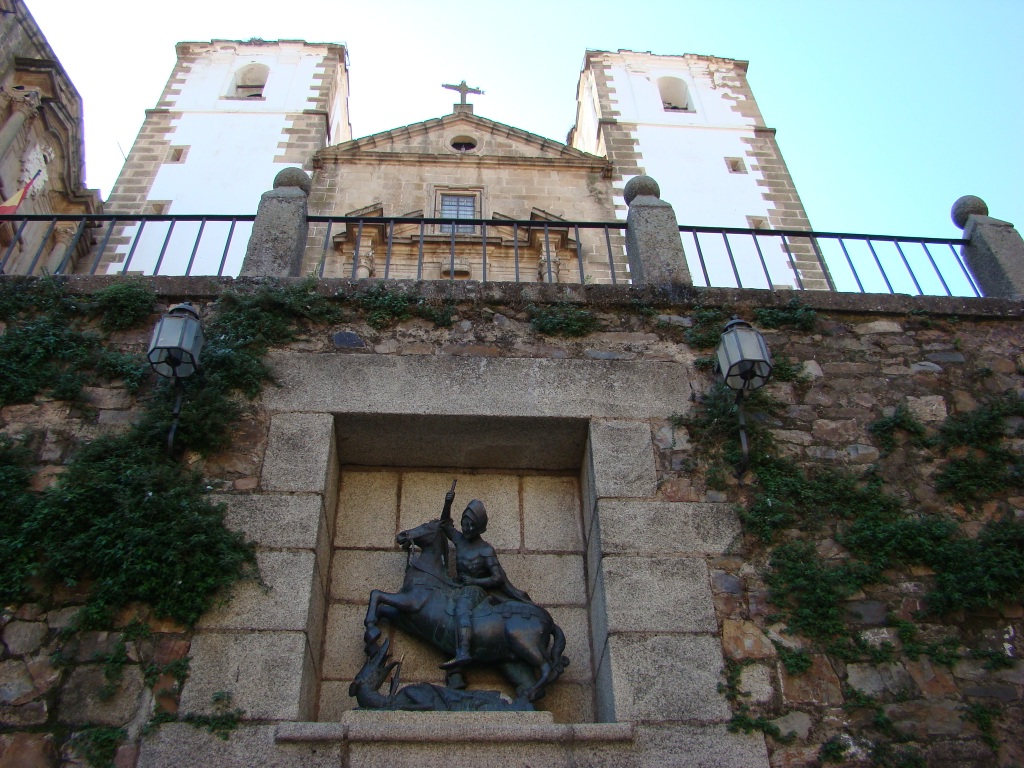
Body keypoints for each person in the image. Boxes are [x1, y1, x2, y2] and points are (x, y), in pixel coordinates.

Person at [437, 485, 531, 670]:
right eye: (465, 523)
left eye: (472, 525)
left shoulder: (486, 550)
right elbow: (445, 524)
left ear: (480, 528)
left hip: (475, 590)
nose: (467, 528)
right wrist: (448, 504)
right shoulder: (459, 539)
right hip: (458, 586)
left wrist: (474, 581)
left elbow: (497, 578)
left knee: (462, 607)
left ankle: (464, 651)